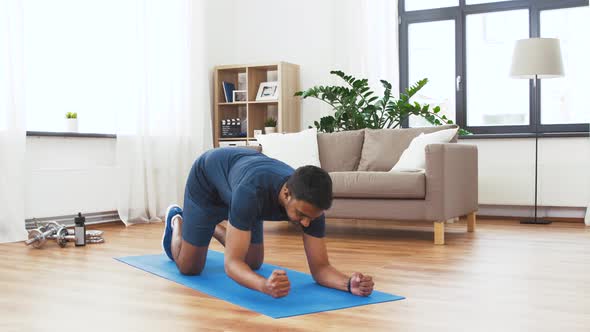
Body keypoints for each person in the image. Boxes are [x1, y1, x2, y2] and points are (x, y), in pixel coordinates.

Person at [162, 147, 374, 298]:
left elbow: (320, 268)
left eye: (312, 217)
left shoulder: (311, 206)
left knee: (253, 263)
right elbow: (232, 264)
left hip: (240, 185)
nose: (307, 223)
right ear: (286, 193)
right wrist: (264, 286)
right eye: (301, 215)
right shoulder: (251, 193)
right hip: (207, 181)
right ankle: (178, 221)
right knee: (190, 267)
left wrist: (348, 284)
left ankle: (209, 226)